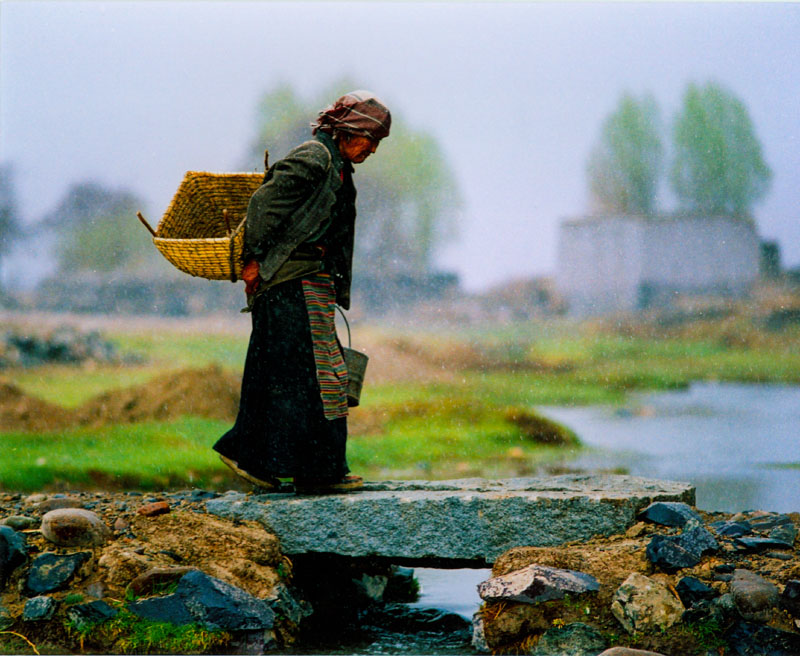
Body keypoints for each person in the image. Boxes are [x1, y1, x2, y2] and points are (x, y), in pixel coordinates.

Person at [213, 90, 391, 494]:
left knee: (301, 377)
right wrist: (255, 259)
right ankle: (303, 468)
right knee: (306, 378)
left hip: (309, 285)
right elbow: (262, 208)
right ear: (348, 130)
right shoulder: (314, 158)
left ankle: (306, 468)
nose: (374, 149)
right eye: (371, 139)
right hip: (289, 286)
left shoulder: (339, 166)